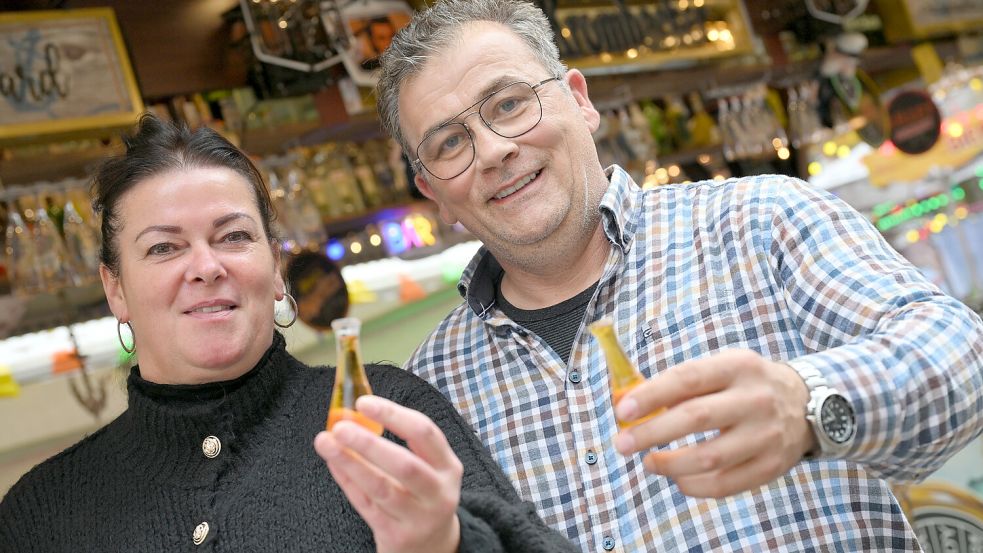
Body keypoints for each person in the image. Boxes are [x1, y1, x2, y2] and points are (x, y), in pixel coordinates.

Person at [375, 0, 983, 550]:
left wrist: (809, 403)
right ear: (434, 194)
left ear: (579, 100)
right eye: (450, 143)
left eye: (509, 104)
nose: (492, 150)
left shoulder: (760, 220)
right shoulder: (430, 387)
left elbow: (962, 355)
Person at [0, 115, 577, 553]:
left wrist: (450, 542)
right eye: (164, 247)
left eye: (233, 237)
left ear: (275, 268)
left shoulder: (386, 413)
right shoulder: (40, 512)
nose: (205, 266)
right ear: (115, 288)